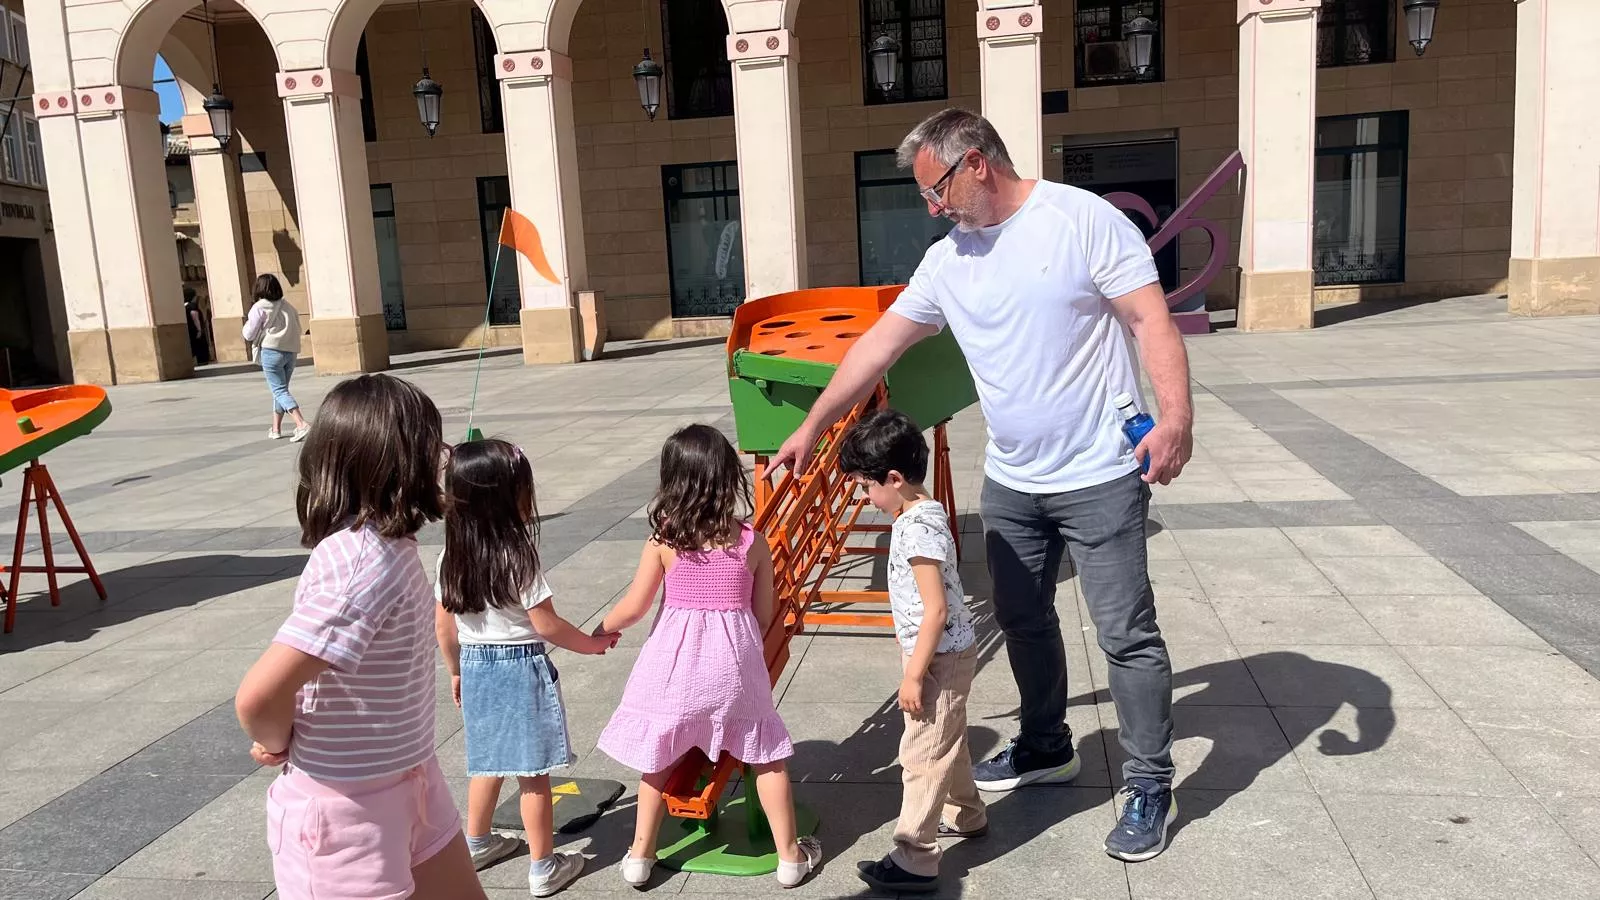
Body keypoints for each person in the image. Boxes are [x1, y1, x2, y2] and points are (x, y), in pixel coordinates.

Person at [771, 109, 1194, 862]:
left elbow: (1148, 319)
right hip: (1013, 480)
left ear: (976, 163)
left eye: (936, 190)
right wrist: (814, 424)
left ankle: (1150, 782)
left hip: (1101, 471)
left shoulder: (1081, 221)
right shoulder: (948, 260)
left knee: (1126, 635)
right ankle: (1044, 744)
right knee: (1025, 621)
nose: (932, 209)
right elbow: (877, 346)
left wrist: (1175, 419)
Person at [234, 374, 485, 900]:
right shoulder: (361, 564)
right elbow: (259, 694)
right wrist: (279, 740)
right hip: (343, 810)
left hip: (410, 778)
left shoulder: (391, 547)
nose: (441, 454)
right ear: (396, 461)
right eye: (428, 442)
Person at [593, 424, 822, 889]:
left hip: (672, 671)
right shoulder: (749, 541)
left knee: (658, 761)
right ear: (725, 478)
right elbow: (764, 612)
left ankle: (640, 855)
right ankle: (789, 858)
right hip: (732, 667)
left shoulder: (663, 542)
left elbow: (635, 606)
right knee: (765, 757)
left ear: (672, 481)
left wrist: (600, 630)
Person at [433, 438, 619, 896]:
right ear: (508, 498)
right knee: (534, 776)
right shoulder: (518, 555)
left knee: (486, 763)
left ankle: (477, 842)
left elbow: (443, 627)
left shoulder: (448, 557)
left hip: (475, 665)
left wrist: (455, 671)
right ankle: (543, 866)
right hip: (518, 669)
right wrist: (592, 645)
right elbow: (548, 624)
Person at [838, 409, 984, 894]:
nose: (866, 496)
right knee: (947, 739)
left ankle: (914, 857)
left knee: (922, 754)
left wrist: (914, 676)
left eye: (866, 486)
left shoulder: (916, 528)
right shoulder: (922, 511)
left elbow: (936, 610)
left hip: (939, 658)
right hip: (944, 654)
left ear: (894, 479)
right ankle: (967, 814)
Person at [242, 273, 310, 442]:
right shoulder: (288, 306)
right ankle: (276, 428)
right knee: (280, 389)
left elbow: (249, 334)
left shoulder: (259, 307)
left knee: (279, 389)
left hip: (271, 351)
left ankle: (301, 423)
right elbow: (298, 328)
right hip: (290, 351)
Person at [183, 288, 211, 365]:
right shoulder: (192, 306)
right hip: (194, 329)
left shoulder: (183, 307)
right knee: (200, 345)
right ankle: (202, 361)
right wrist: (199, 329)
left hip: (189, 330)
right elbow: (195, 317)